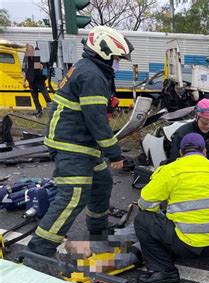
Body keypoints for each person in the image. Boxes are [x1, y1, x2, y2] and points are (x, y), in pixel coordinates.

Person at [27, 26, 134, 257]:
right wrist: (114, 153)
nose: (118, 62)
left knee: (102, 182)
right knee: (74, 194)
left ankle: (97, 232)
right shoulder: (92, 74)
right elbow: (96, 120)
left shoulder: (91, 68)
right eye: (116, 58)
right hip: (71, 143)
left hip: (82, 142)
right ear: (104, 52)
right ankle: (40, 249)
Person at [134, 133, 209, 283]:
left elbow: (145, 204)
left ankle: (165, 271)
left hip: (188, 247)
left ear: (181, 153)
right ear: (204, 151)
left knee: (142, 219)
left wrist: (163, 215)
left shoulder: (170, 170)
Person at [168, 98, 209, 163]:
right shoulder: (181, 135)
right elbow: (173, 160)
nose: (208, 126)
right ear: (197, 117)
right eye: (204, 123)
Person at [22, 43, 52, 116]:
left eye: (30, 51)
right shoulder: (26, 59)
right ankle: (39, 110)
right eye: (28, 51)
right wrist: (24, 80)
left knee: (45, 95)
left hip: (39, 79)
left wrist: (44, 71)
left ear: (33, 50)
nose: (29, 53)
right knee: (34, 97)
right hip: (31, 80)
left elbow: (45, 67)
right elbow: (24, 70)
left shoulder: (39, 57)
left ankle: (51, 108)